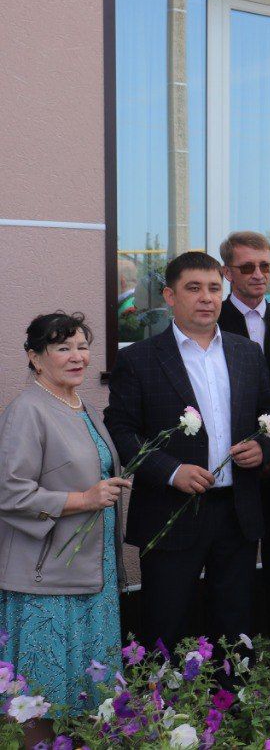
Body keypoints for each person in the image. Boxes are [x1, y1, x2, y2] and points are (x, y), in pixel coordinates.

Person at [105, 252, 270, 652]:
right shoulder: (138, 358)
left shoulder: (246, 352)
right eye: (193, 288)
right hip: (171, 510)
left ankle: (231, 706)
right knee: (165, 621)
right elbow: (122, 429)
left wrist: (263, 446)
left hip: (237, 512)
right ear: (169, 295)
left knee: (234, 623)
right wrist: (170, 471)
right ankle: (162, 710)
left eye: (214, 288)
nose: (206, 298)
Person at [0, 314, 127, 748]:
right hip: (48, 579)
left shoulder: (82, 406)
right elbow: (9, 493)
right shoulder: (26, 410)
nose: (78, 357)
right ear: (36, 358)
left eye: (82, 347)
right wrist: (83, 500)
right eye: (63, 348)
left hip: (94, 573)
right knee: (42, 691)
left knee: (88, 688)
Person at [217, 231, 270, 635]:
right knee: (233, 567)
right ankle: (238, 652)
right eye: (247, 267)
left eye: (265, 265)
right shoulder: (212, 321)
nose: (258, 274)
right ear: (227, 271)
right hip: (229, 467)